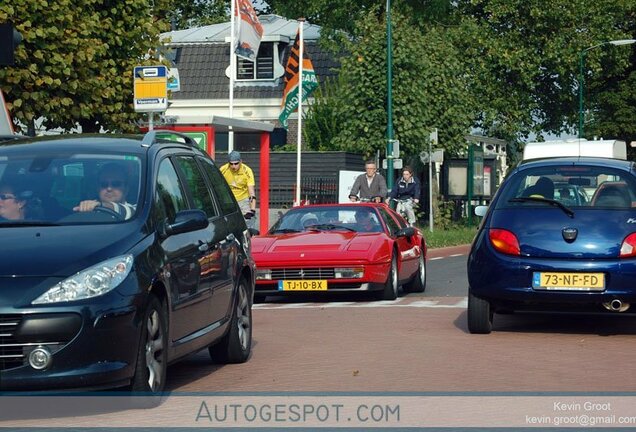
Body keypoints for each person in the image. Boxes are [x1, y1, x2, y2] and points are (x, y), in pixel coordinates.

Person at [220, 151, 257, 227]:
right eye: (231, 164)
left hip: (243, 200)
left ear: (241, 161)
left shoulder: (247, 170)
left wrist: (252, 210)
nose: (233, 166)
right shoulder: (223, 169)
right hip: (228, 201)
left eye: (236, 163)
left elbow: (251, 192)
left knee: (248, 224)